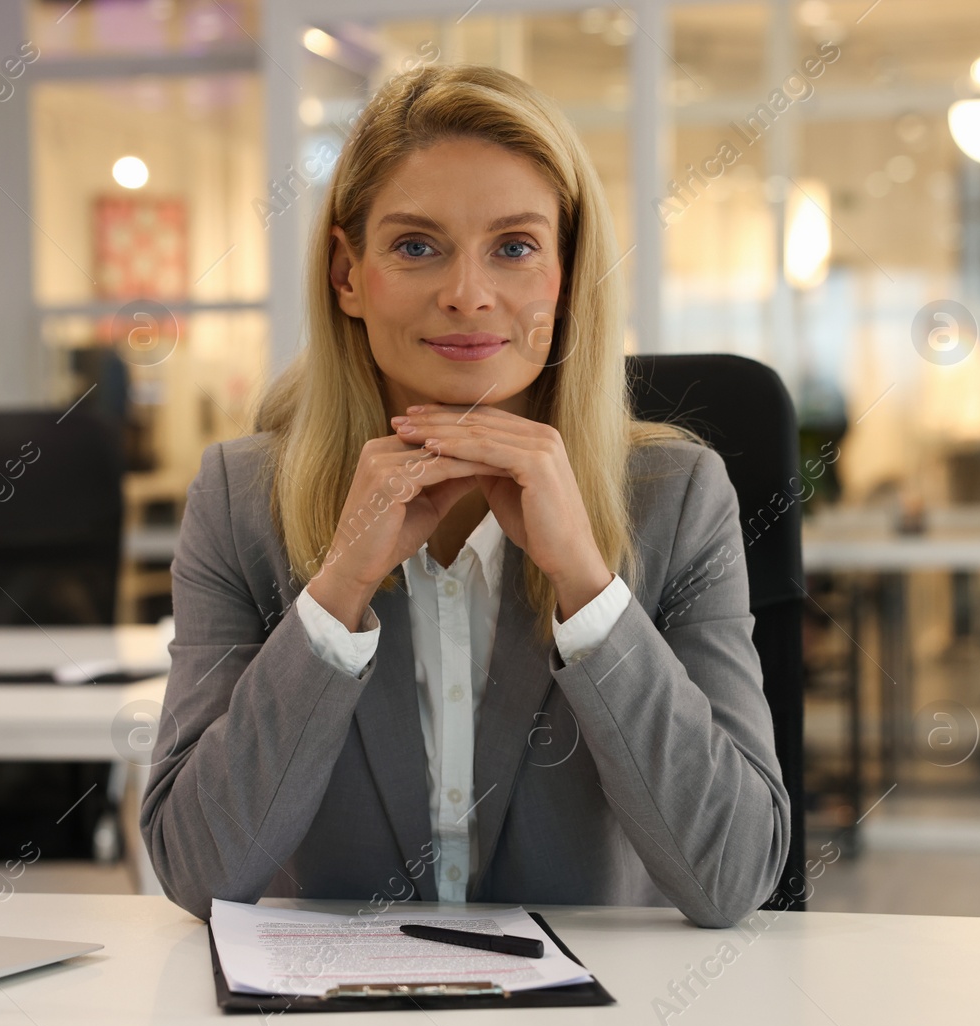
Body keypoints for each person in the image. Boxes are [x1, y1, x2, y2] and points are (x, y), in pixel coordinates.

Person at [140, 64, 789, 928]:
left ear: (564, 276)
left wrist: (588, 588)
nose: (468, 293)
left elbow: (733, 874)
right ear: (347, 274)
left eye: (515, 247)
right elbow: (198, 868)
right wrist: (335, 593)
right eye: (416, 246)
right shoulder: (240, 498)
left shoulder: (675, 499)